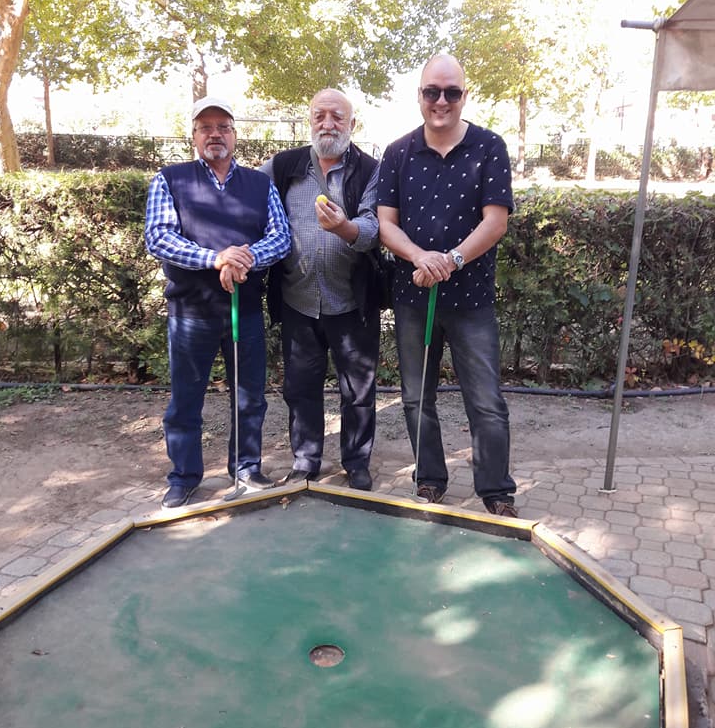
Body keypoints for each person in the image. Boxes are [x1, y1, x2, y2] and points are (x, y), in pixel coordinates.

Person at [376, 54, 518, 516]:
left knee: (486, 402)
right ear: (419, 95)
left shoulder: (489, 147)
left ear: (464, 96)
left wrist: (450, 261)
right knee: (416, 399)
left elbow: (495, 222)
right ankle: (429, 480)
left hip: (472, 300)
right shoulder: (397, 152)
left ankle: (496, 492)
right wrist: (420, 257)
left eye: (451, 92)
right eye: (432, 92)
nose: (441, 101)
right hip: (413, 298)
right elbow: (385, 224)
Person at [145, 96, 291, 508]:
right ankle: (184, 476)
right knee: (185, 400)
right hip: (191, 313)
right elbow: (159, 237)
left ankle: (245, 468)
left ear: (235, 135)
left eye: (223, 127)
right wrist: (216, 259)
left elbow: (280, 237)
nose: (215, 134)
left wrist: (244, 259)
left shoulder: (260, 184)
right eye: (205, 127)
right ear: (193, 136)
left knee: (250, 396)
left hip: (245, 310)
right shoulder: (170, 179)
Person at [262, 88, 380, 491]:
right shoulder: (282, 166)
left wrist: (345, 228)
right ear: (309, 120)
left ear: (352, 124)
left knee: (358, 391)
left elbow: (374, 228)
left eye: (337, 116)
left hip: (352, 303)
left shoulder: (370, 169)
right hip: (298, 300)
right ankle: (305, 461)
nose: (328, 124)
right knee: (300, 389)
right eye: (319, 116)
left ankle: (356, 462)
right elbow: (248, 199)